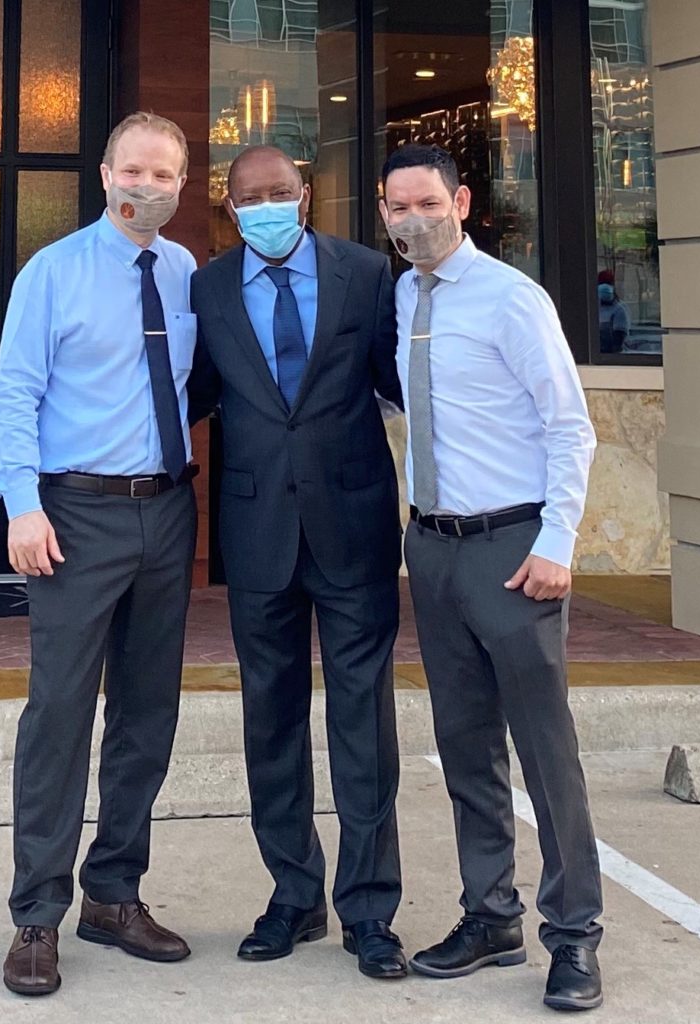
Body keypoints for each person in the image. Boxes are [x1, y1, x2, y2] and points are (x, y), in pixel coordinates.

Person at [379, 143, 604, 1012]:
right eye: (399, 208)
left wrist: (557, 543)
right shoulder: (403, 298)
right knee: (465, 744)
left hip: (512, 549)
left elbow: (568, 426)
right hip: (432, 547)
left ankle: (574, 934)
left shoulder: (513, 298)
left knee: (544, 752)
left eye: (428, 203)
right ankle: (490, 914)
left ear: (462, 202)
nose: (414, 221)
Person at [0, 111, 199, 997]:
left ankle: (113, 895)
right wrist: (23, 505)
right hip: (74, 515)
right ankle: (37, 914)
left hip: (167, 512)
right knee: (61, 715)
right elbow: (12, 396)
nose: (146, 186)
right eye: (132, 170)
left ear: (182, 184)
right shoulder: (53, 271)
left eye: (163, 174)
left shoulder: (184, 272)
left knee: (147, 714)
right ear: (105, 174)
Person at [187, 146, 407, 980]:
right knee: (271, 720)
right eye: (251, 198)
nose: (267, 206)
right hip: (256, 534)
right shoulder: (208, 288)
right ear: (230, 208)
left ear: (305, 197)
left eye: (280, 192)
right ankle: (292, 895)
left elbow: (403, 382)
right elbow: (189, 393)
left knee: (363, 725)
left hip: (353, 526)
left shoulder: (365, 273)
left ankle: (370, 908)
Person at [597, 269, 631, 353]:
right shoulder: (594, 307)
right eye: (601, 283)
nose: (604, 287)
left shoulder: (619, 309)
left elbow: (619, 338)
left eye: (607, 283)